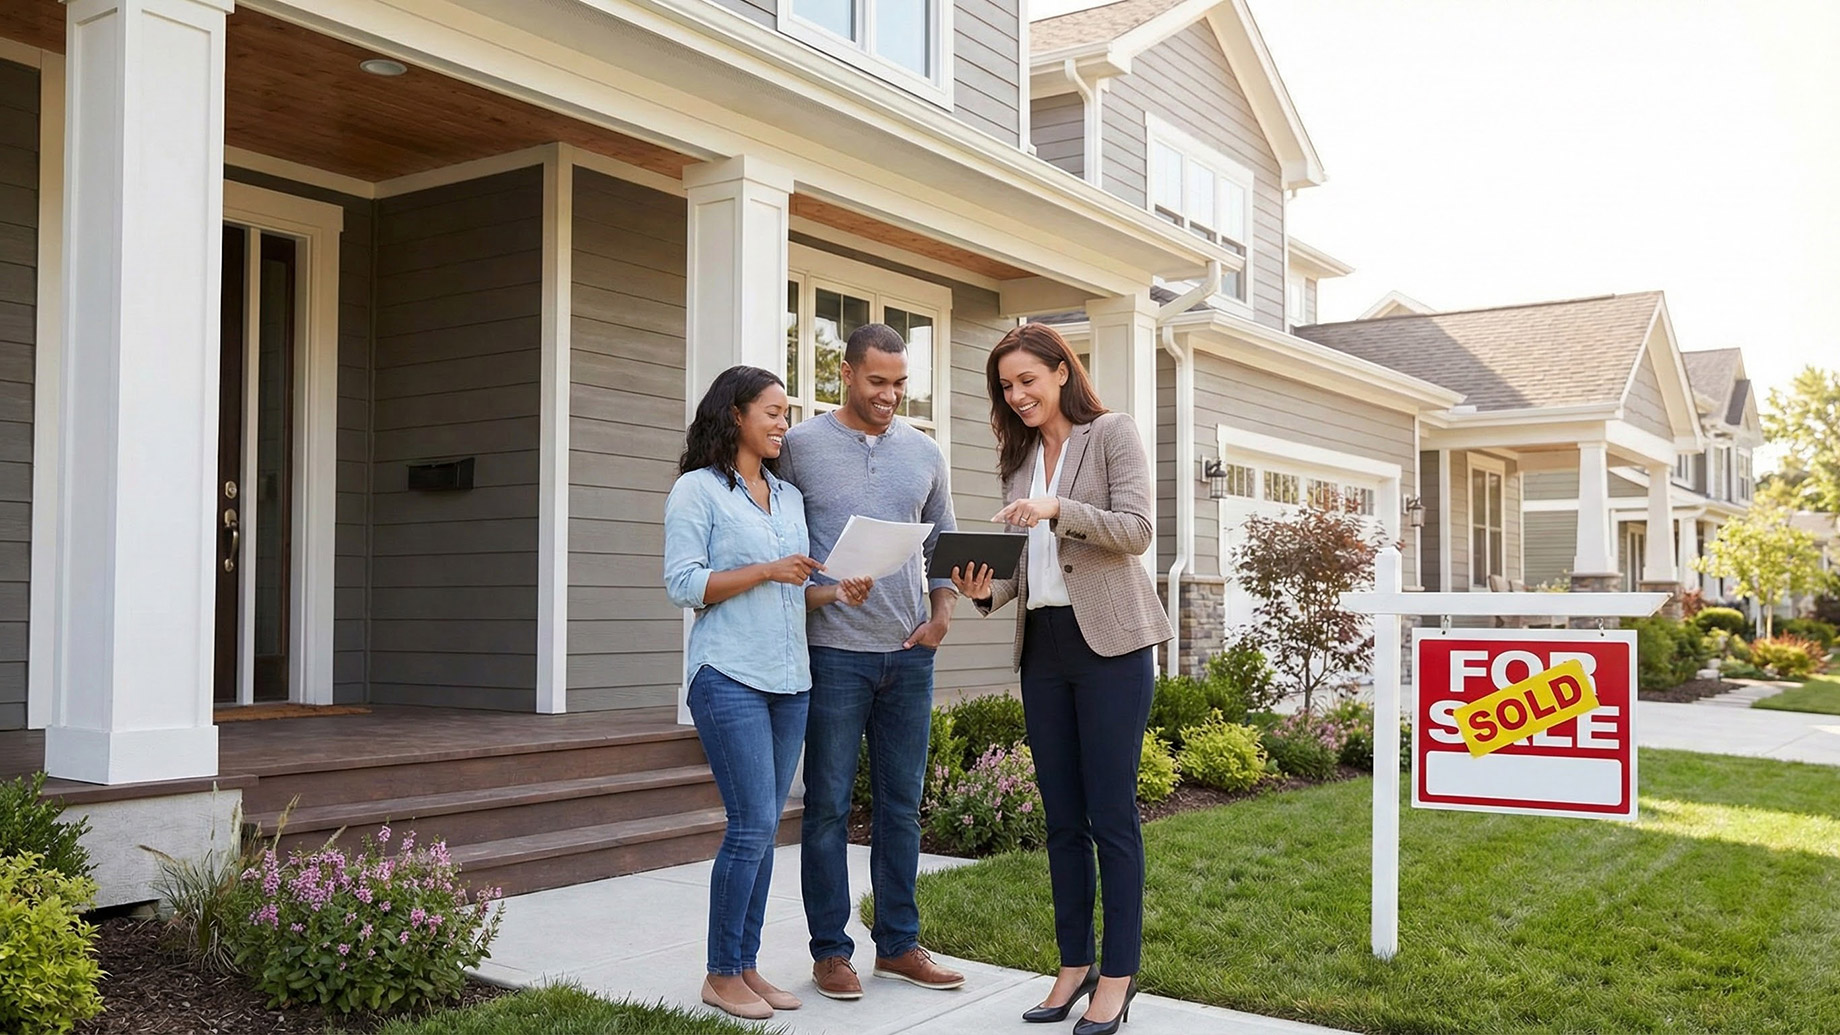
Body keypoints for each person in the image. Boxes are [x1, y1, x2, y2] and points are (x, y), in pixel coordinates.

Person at [950, 323, 1172, 1035]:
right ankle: (1072, 964)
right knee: (1062, 819)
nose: (1016, 395)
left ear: (1059, 371)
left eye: (1026, 380)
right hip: (1043, 646)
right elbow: (1024, 573)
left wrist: (1057, 509)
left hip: (1110, 645)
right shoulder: (1017, 460)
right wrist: (982, 587)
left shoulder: (1110, 432)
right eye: (1005, 386)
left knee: (1111, 815)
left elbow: (1136, 529)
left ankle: (1119, 973)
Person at [663, 365, 873, 1021]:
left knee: (764, 830)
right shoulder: (697, 491)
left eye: (787, 413)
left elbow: (794, 586)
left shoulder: (787, 497)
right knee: (750, 824)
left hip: (791, 681)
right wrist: (764, 570)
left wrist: (835, 590)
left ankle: (744, 964)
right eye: (774, 412)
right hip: (728, 675)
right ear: (736, 414)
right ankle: (720, 971)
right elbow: (684, 583)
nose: (785, 423)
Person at [777, 323, 967, 1001]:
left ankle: (899, 944)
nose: (889, 395)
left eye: (900, 383)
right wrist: (815, 594)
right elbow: (776, 536)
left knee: (900, 805)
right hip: (833, 653)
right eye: (877, 381)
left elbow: (944, 540)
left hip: (908, 654)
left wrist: (941, 613)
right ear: (847, 374)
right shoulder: (798, 447)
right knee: (826, 805)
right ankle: (831, 950)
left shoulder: (924, 453)